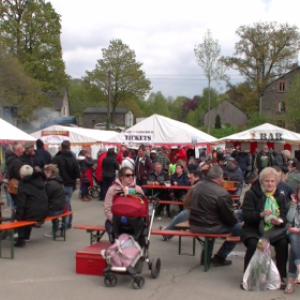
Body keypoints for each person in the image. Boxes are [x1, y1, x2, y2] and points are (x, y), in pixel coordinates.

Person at [241, 167, 288, 290]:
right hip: (254, 228)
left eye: (273, 181)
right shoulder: (251, 194)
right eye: (267, 181)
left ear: (277, 183)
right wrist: (260, 214)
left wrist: (279, 221)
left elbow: (283, 215)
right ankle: (248, 277)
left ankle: (281, 277)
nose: (270, 184)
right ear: (261, 182)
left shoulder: (280, 196)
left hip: (273, 230)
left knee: (283, 242)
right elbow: (246, 215)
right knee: (254, 243)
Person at [189, 166, 241, 266]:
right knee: (239, 228)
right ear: (220, 178)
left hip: (194, 223)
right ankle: (220, 257)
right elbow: (229, 218)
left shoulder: (198, 185)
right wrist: (237, 220)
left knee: (213, 221)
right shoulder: (221, 193)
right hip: (209, 226)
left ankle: (206, 257)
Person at [160, 170, 201, 240]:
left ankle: (166, 232)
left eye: (191, 178)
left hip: (196, 214)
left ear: (197, 178)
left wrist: (186, 197)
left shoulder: (194, 187)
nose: (189, 180)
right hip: (204, 213)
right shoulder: (204, 184)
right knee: (180, 217)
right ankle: (166, 232)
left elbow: (185, 203)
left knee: (180, 217)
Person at [15, 165, 48, 247]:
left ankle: (21, 239)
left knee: (19, 214)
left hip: (34, 213)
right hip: (43, 211)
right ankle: (26, 236)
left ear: (22, 175)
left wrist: (17, 216)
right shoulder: (39, 180)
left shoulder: (23, 183)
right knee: (27, 211)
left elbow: (21, 202)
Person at [104, 166, 144, 234]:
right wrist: (114, 220)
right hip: (117, 219)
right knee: (110, 227)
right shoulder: (113, 189)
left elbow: (143, 206)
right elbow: (107, 209)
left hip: (134, 220)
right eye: (128, 175)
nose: (131, 177)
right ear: (121, 177)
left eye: (132, 175)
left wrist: (137, 194)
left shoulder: (138, 189)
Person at [52, 140, 80, 229]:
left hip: (57, 184)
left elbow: (51, 171)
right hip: (69, 185)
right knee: (67, 204)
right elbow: (77, 174)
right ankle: (67, 224)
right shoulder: (73, 159)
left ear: (61, 148)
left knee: (55, 205)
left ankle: (57, 225)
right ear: (69, 148)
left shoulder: (56, 158)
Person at [285, 186, 300, 294]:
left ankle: (290, 281)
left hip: (297, 232)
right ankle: (299, 267)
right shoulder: (293, 204)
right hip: (292, 232)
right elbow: (289, 219)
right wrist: (294, 204)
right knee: (294, 238)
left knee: (293, 250)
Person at [43, 164, 65, 238]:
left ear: (49, 172)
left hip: (54, 208)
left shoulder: (50, 184)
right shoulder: (58, 181)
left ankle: (55, 230)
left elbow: (45, 196)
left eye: (45, 172)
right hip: (60, 207)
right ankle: (57, 229)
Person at [5, 142, 24, 218]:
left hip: (13, 185)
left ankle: (13, 224)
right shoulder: (16, 161)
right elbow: (18, 174)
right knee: (17, 206)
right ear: (19, 149)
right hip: (16, 186)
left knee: (16, 206)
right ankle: (13, 224)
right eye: (22, 148)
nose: (23, 150)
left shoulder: (12, 159)